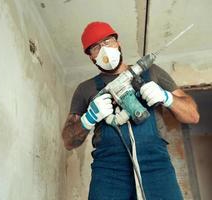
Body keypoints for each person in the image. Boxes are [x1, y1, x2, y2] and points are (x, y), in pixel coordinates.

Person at [61, 21, 200, 200]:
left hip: (156, 165)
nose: (103, 49)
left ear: (118, 43)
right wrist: (89, 118)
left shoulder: (152, 72)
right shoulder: (85, 89)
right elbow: (68, 141)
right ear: (91, 56)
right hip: (108, 170)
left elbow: (193, 115)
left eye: (107, 41)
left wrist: (167, 97)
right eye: (95, 47)